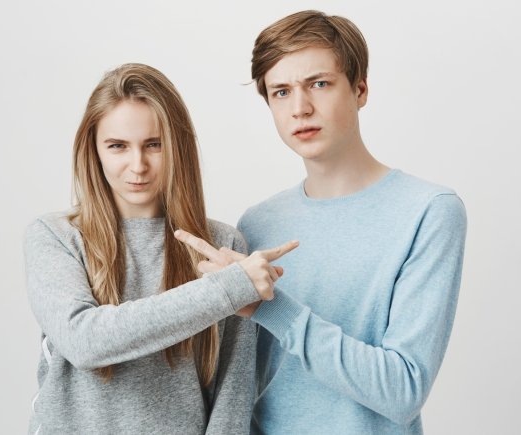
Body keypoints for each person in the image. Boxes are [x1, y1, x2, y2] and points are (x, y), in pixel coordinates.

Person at [174, 10, 467, 434]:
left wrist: (270, 307)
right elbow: (238, 385)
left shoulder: (428, 211)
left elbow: (403, 390)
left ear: (360, 89)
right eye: (281, 92)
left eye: (319, 84)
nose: (300, 108)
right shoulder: (257, 223)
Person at [23, 63, 297, 434]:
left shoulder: (223, 245)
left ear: (177, 147)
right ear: (94, 150)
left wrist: (232, 286)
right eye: (118, 146)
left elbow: (231, 401)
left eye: (154, 145)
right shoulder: (55, 236)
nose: (138, 166)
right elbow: (84, 341)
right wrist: (227, 289)